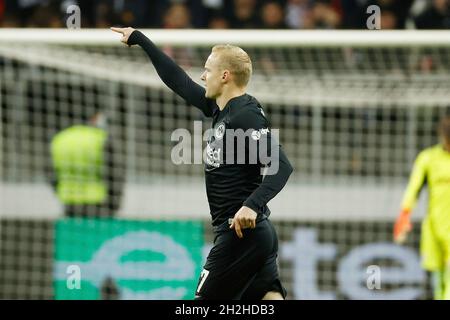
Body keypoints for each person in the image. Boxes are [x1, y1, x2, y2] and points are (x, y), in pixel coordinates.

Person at [111, 27, 293, 300]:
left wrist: (251, 205)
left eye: (207, 69)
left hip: (239, 233)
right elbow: (179, 82)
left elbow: (282, 164)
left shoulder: (245, 114)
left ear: (225, 76)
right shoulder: (221, 110)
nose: (202, 75)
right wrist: (140, 39)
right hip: (253, 235)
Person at [394, 115, 450, 300]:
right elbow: (413, 188)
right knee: (438, 280)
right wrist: (404, 216)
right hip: (434, 227)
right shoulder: (428, 158)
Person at [50, 111, 125, 218]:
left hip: (69, 202)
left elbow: (51, 173)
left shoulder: (59, 139)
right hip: (99, 202)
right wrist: (115, 202)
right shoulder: (100, 137)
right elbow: (114, 173)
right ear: (93, 118)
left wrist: (60, 191)